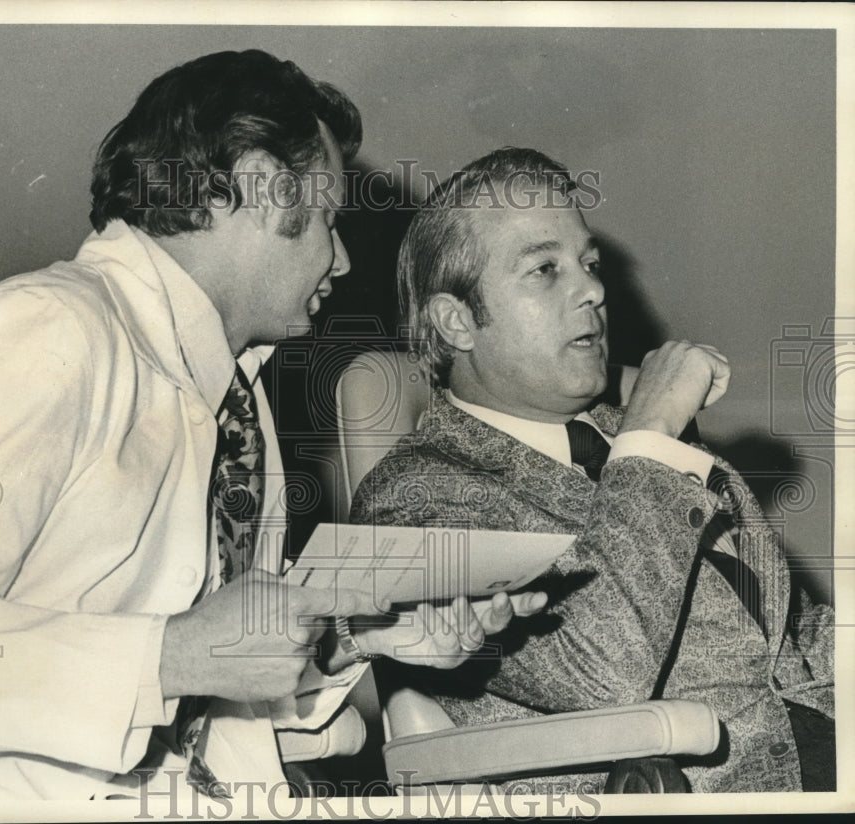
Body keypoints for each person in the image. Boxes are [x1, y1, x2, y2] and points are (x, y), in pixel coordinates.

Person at [0, 52, 543, 801]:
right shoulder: (47, 329)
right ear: (258, 185)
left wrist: (348, 641)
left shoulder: (235, 397)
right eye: (326, 219)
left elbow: (201, 704)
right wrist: (173, 656)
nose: (343, 258)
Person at [349, 147, 835, 793]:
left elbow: (797, 640)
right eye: (545, 269)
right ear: (457, 321)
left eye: (590, 264)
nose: (595, 291)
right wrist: (652, 437)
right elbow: (603, 673)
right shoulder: (418, 496)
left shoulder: (637, 447)